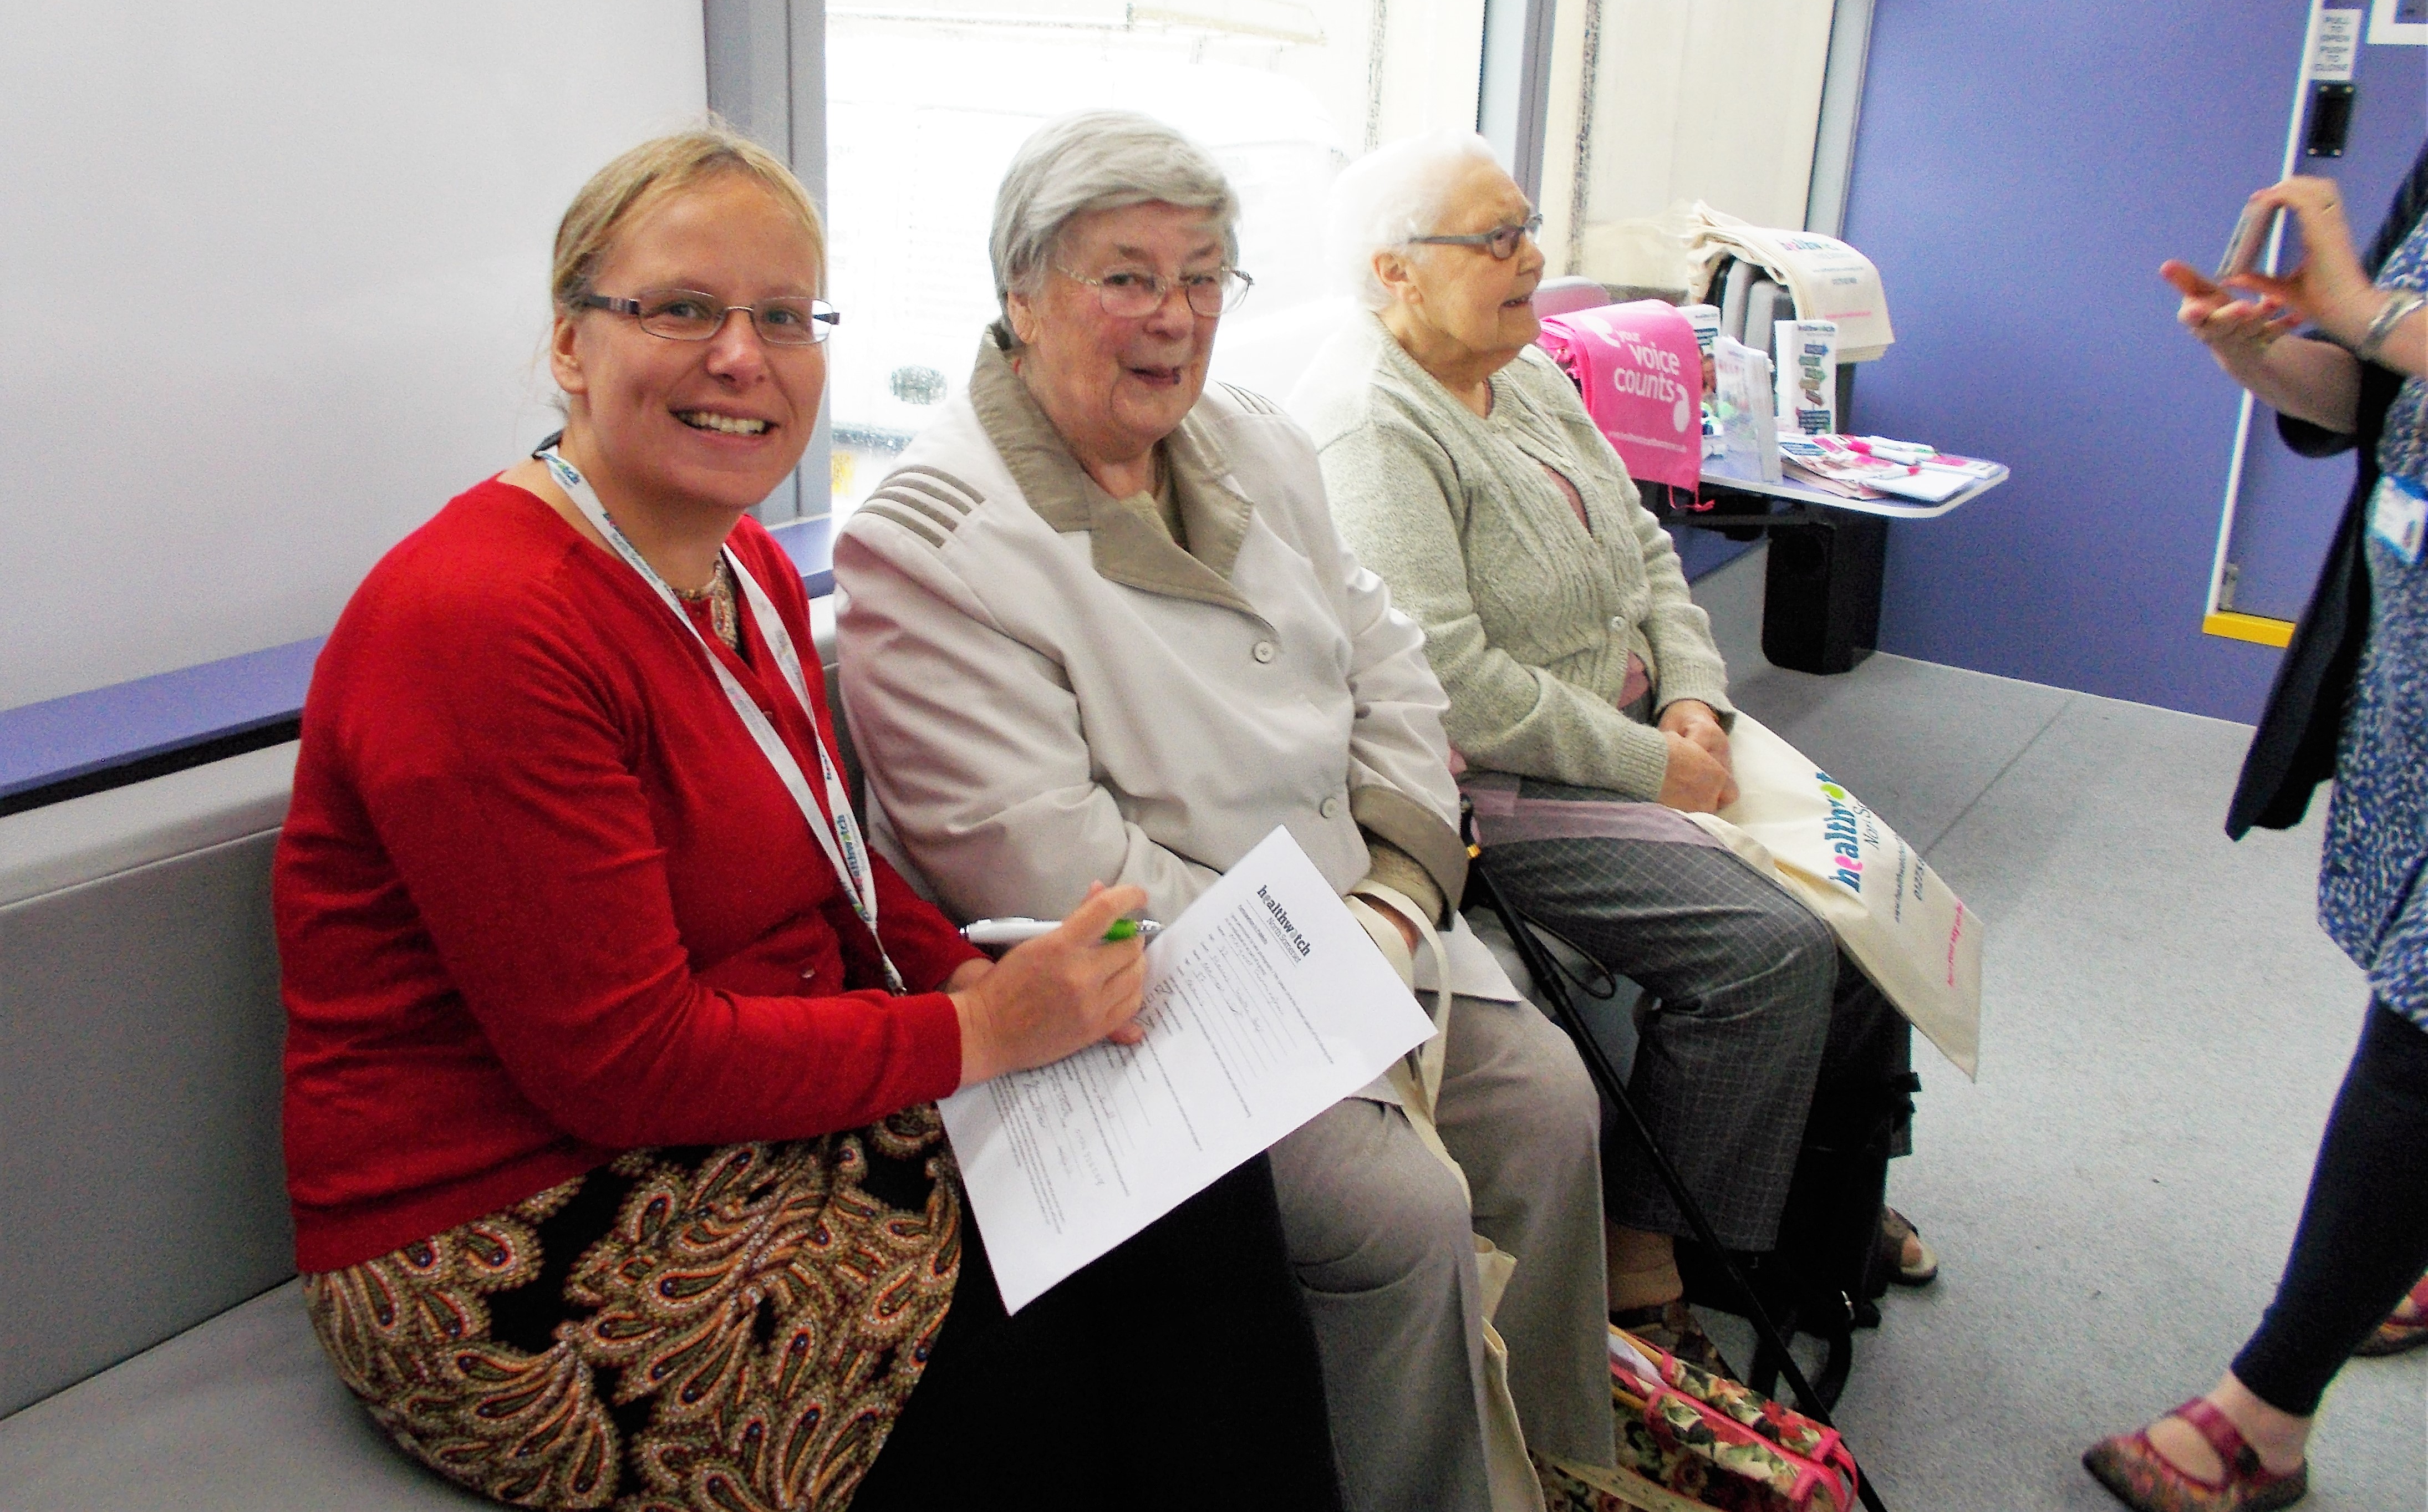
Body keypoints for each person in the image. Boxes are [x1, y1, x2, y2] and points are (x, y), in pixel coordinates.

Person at [273, 125, 1342, 1512]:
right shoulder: (483, 619)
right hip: (515, 1225)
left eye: (784, 316)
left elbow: (836, 864)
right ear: (568, 344)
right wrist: (981, 1033)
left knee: (1188, 1188)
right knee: (1042, 1375)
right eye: (682, 308)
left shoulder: (746, 577)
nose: (743, 356)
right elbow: (623, 1067)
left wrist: (970, 967)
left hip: (741, 1130)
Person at [833, 110, 1613, 1512]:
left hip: (1369, 916)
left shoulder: (1252, 434)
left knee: (1553, 1104)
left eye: (1204, 276)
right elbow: (1056, 868)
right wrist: (1337, 953)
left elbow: (1395, 673)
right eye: (1125, 277)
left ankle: (1556, 1469)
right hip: (1149, 1000)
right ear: (1020, 292)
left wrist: (1390, 899)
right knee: (1401, 1214)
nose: (1174, 317)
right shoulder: (931, 533)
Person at [1287, 130, 1927, 1372]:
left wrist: (1696, 691)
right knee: (1768, 951)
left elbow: (1643, 547)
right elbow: (1453, 690)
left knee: (1866, 889)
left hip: (1641, 733)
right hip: (1502, 792)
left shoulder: (1517, 368)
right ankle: (1646, 1259)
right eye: (1496, 238)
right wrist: (1655, 766)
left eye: (1527, 226)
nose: (1533, 256)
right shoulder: (1372, 427)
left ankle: (1816, 1204)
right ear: (1394, 273)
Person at [2081, 146, 2428, 1512]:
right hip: (2412, 652)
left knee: (2420, 1026)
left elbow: (2377, 323)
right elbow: (2365, 389)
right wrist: (2268, 355)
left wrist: (2362, 305)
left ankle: (2260, 1419)